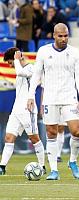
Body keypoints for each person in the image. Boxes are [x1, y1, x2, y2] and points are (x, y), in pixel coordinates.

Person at [27, 23, 79, 180]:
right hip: (50, 98)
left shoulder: (74, 52)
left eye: (66, 35)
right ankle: (54, 170)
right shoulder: (44, 51)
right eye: (60, 36)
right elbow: (37, 75)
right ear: (54, 35)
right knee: (51, 133)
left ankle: (72, 161)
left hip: (69, 97)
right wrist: (31, 95)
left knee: (76, 131)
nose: (64, 38)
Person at [0, 47, 45, 175]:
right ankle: (2, 166)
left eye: (10, 62)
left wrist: (16, 60)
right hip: (16, 110)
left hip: (28, 110)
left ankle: (42, 166)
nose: (11, 65)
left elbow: (20, 72)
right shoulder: (20, 68)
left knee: (34, 138)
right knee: (8, 137)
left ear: (16, 58)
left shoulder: (31, 68)